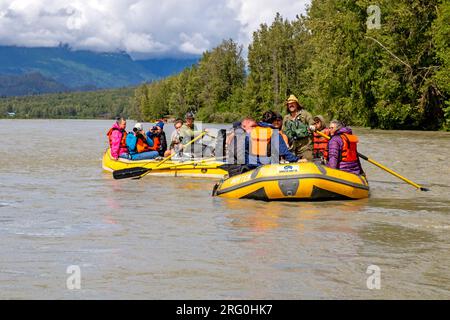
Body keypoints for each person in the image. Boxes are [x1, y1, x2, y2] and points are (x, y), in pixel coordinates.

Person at [283, 94, 314, 161]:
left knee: (307, 165)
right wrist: (286, 144)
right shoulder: (286, 118)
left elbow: (311, 122)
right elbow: (284, 132)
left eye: (293, 103)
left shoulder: (305, 114)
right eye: (289, 104)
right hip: (292, 149)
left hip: (305, 147)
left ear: (297, 104)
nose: (291, 105)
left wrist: (312, 126)